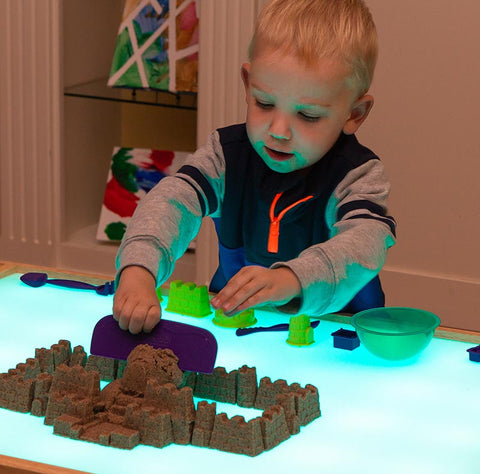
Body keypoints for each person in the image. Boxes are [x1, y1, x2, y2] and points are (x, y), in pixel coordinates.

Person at [113, 0, 396, 334]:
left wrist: (291, 279)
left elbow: (366, 242)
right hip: (236, 329)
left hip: (337, 332)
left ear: (354, 114)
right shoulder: (225, 156)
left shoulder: (358, 175)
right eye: (264, 103)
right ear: (248, 84)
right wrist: (138, 269)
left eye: (307, 115)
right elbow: (173, 200)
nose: (278, 131)